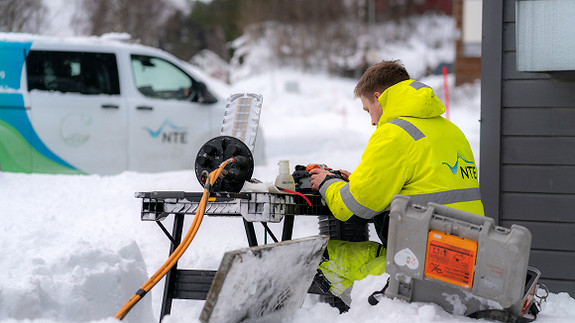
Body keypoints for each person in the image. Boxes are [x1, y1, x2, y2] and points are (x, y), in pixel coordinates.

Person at [309, 59, 484, 305]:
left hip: (420, 269)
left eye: (368, 109)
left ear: (379, 98)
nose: (371, 121)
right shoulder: (451, 131)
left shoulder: (393, 133)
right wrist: (357, 180)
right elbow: (425, 184)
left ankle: (346, 312)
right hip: (463, 262)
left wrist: (327, 183)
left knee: (324, 257)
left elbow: (352, 206)